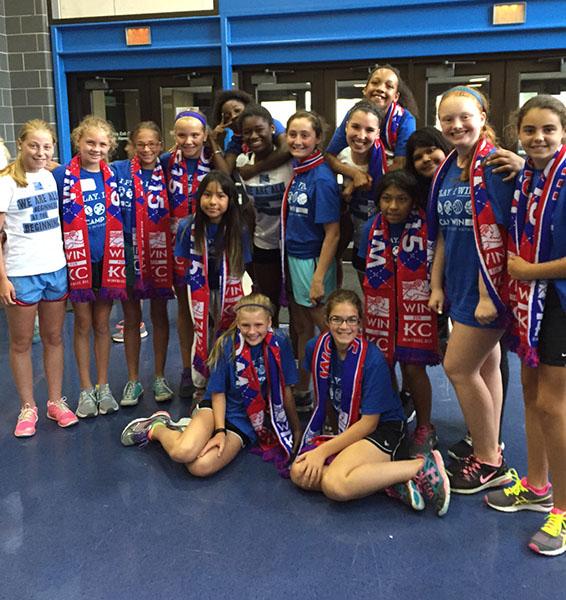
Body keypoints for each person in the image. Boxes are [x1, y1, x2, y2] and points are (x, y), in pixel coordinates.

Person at [485, 95, 566, 557]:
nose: (538, 138)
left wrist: (529, 273)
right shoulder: (532, 177)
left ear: (563, 133)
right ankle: (538, 487)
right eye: (530, 130)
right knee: (532, 398)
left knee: (554, 407)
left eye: (548, 130)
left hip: (557, 303)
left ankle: (564, 510)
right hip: (531, 303)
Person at [289, 289, 450, 515]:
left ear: (360, 323)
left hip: (383, 430)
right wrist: (329, 439)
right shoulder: (315, 348)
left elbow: (369, 424)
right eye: (337, 319)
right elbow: (324, 393)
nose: (344, 327)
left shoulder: (372, 359)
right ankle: (389, 482)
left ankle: (420, 466)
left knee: (335, 485)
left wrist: (323, 451)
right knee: (299, 472)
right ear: (326, 321)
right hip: (350, 427)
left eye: (351, 320)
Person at [427, 86, 515, 494]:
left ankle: (489, 461)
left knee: (458, 367)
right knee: (486, 365)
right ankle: (488, 441)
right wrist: (436, 283)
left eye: (464, 116)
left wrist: (485, 294)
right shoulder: (449, 165)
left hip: (489, 288)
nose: (456, 125)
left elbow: (500, 232)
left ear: (482, 115)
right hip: (459, 282)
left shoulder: (495, 164)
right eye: (447, 119)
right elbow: (445, 232)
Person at [120, 293, 302, 478]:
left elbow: (285, 389)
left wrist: (296, 429)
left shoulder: (280, 343)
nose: (252, 331)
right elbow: (218, 393)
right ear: (238, 323)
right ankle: (157, 427)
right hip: (215, 409)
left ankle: (186, 430)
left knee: (199, 467)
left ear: (269, 322)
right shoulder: (226, 344)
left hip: (246, 420)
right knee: (182, 452)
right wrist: (219, 431)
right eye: (246, 325)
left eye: (258, 325)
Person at [0, 119, 77, 436]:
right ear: (20, 144)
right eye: (34, 145)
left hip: (55, 269)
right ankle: (27, 407)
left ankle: (55, 401)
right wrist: (2, 278)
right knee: (20, 344)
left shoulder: (51, 175)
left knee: (55, 338)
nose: (40, 152)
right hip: (20, 273)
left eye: (46, 147)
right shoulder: (6, 182)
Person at [359, 171, 441, 456]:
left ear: (413, 202)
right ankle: (393, 419)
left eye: (401, 199)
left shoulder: (426, 228)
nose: (393, 206)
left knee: (412, 367)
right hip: (380, 310)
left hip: (415, 311)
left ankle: (425, 426)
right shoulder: (369, 229)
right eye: (386, 198)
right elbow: (361, 271)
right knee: (383, 366)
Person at [53, 115, 126, 418]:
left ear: (110, 146)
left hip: (108, 260)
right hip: (77, 261)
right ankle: (85, 389)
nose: (96, 148)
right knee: (82, 325)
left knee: (102, 326)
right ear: (78, 142)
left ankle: (103, 385)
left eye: (102, 144)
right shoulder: (61, 177)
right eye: (90, 142)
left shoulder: (114, 175)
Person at [161, 110, 228, 399]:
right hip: (181, 245)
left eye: (195, 135)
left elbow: (226, 181)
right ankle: (190, 370)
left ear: (205, 135)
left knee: (220, 310)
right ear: (173, 136)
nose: (188, 141)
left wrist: (215, 145)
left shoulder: (213, 159)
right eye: (181, 135)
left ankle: (219, 369)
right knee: (187, 311)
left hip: (215, 246)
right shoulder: (166, 162)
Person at [111, 121, 175, 406]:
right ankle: (133, 380)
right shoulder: (119, 170)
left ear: (160, 145)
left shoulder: (168, 171)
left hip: (160, 248)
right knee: (132, 317)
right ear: (131, 146)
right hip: (128, 248)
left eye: (152, 144)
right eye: (141, 144)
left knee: (159, 314)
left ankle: (160, 377)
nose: (147, 149)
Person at [281, 110, 341, 410]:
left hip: (312, 261)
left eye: (305, 135)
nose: (298, 140)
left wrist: (318, 277)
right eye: (293, 134)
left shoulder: (321, 178)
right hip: (293, 258)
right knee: (302, 326)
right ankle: (303, 389)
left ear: (318, 139)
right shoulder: (300, 170)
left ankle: (340, 392)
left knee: (328, 329)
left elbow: (333, 232)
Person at [175, 170, 252, 396]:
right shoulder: (187, 227)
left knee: (229, 332)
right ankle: (201, 384)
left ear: (230, 199)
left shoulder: (239, 228)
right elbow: (184, 263)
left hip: (231, 288)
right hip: (199, 288)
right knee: (203, 333)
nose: (213, 202)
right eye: (207, 195)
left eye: (220, 196)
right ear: (199, 198)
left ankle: (229, 381)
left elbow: (242, 265)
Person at [236, 104, 293, 325]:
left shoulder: (290, 159)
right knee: (269, 305)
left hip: (291, 244)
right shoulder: (242, 163)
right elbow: (247, 211)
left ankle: (297, 358)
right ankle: (272, 350)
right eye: (247, 132)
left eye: (259, 129)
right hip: (263, 243)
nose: (254, 135)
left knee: (297, 306)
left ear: (272, 128)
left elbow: (288, 145)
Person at [326, 64, 418, 184]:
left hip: (390, 186)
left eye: (389, 86)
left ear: (396, 96)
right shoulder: (354, 114)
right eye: (375, 83)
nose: (380, 88)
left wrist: (364, 181)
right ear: (365, 89)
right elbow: (329, 157)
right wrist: (356, 174)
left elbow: (401, 164)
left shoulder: (405, 119)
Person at [336, 100, 387, 286]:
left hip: (384, 242)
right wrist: (349, 188)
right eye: (355, 127)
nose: (361, 135)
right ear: (346, 126)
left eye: (370, 130)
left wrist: (358, 182)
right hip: (358, 238)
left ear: (378, 133)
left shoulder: (386, 161)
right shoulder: (341, 157)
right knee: (367, 294)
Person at [209, 89, 289, 176]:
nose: (233, 116)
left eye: (237, 110)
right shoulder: (235, 141)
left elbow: (286, 149)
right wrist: (214, 142)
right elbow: (225, 173)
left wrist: (254, 169)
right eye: (227, 116)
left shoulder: (267, 123)